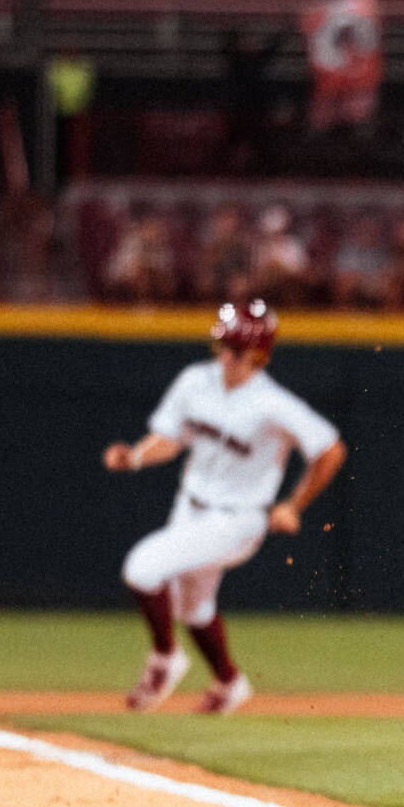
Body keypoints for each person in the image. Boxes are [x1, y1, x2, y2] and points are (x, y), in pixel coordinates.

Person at [102, 302, 346, 714]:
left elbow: (330, 449)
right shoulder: (196, 380)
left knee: (142, 568)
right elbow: (170, 436)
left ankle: (165, 658)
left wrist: (294, 504)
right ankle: (229, 683)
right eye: (223, 344)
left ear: (257, 353)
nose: (224, 354)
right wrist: (137, 456)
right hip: (190, 506)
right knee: (194, 608)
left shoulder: (273, 403)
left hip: (239, 519)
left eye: (234, 347)